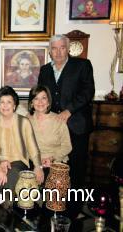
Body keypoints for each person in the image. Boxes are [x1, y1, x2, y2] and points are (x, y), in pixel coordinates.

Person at [38, 34, 95, 218]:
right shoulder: (45, 70)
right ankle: (54, 205)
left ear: (68, 48)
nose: (58, 51)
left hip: (76, 126)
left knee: (76, 170)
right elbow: (42, 95)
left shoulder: (82, 65)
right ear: (50, 51)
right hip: (54, 129)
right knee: (56, 168)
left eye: (62, 47)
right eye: (54, 48)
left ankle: (73, 210)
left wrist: (69, 111)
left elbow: (88, 92)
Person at [0, 86, 44, 194]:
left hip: (18, 162)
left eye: (9, 102)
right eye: (2, 102)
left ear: (14, 105)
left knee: (11, 177)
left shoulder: (24, 122)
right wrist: (0, 161)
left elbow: (33, 148)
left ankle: (7, 208)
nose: (5, 105)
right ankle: (6, 207)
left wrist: (38, 166)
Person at [27, 85, 72, 178]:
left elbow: (67, 146)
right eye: (36, 98)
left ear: (48, 102)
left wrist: (52, 159)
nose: (40, 102)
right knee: (27, 185)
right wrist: (38, 165)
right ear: (32, 103)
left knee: (51, 186)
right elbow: (24, 146)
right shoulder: (26, 120)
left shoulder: (58, 120)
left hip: (55, 160)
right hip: (33, 161)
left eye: (44, 98)